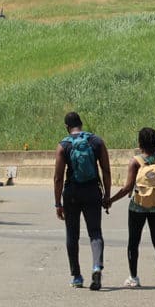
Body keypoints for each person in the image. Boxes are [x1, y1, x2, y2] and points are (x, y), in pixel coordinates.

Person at [110, 127, 155, 289]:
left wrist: (110, 200)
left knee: (134, 242)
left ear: (140, 143)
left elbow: (127, 188)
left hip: (138, 206)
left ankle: (133, 278)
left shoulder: (135, 162)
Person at [53, 111, 111, 290]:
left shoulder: (63, 145)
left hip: (71, 193)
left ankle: (77, 276)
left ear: (66, 126)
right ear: (81, 124)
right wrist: (107, 195)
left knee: (72, 235)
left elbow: (58, 177)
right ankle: (96, 266)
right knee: (95, 232)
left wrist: (57, 203)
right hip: (92, 191)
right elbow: (106, 171)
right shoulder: (97, 142)